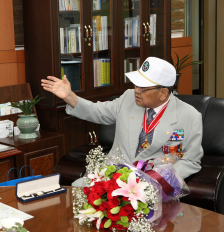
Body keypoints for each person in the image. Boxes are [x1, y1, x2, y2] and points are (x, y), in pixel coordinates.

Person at [41, 57, 203, 184]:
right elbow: (97, 111)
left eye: (143, 88)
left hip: (152, 184)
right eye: (135, 84)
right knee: (76, 189)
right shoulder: (127, 98)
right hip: (113, 176)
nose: (136, 91)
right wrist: (69, 96)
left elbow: (191, 161)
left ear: (163, 93)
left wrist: (159, 181)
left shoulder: (189, 116)